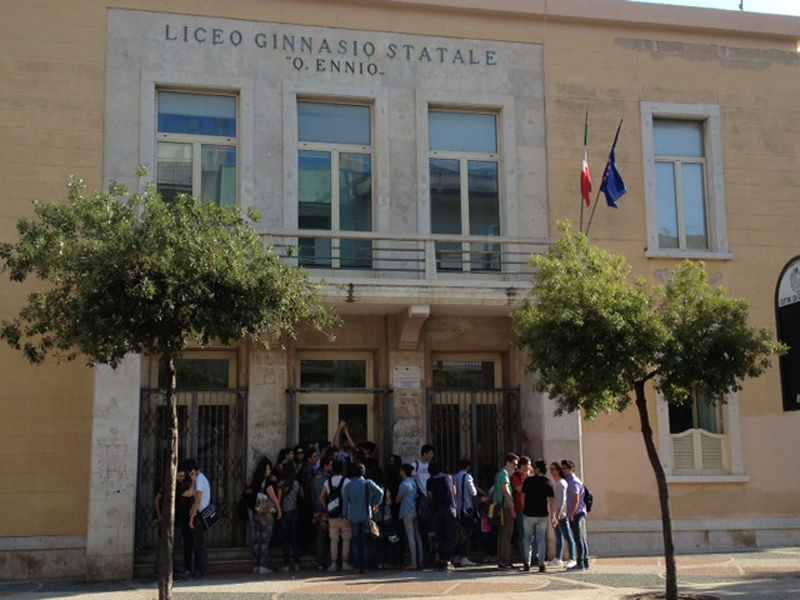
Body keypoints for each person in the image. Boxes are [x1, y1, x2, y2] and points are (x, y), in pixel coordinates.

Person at [341, 462, 383, 573]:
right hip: (366, 515)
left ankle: (357, 565)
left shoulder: (348, 486)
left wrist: (345, 516)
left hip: (353, 516)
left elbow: (345, 503)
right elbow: (380, 493)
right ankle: (365, 566)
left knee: (356, 541)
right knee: (365, 541)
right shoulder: (368, 483)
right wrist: (374, 503)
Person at [153, 464, 192, 577]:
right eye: (180, 476)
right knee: (168, 546)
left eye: (183, 476)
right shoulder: (175, 486)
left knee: (169, 546)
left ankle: (167, 569)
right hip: (173, 521)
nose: (182, 478)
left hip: (174, 520)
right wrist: (194, 482)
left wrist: (159, 514)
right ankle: (161, 570)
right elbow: (188, 494)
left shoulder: (169, 485)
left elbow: (157, 499)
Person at [245, 457, 282, 573]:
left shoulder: (254, 480)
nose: (269, 471)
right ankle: (263, 564)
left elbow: (247, 488)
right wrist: (279, 510)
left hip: (255, 512)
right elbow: (274, 498)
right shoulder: (267, 483)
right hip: (265, 513)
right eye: (268, 469)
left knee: (257, 539)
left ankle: (256, 564)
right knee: (265, 539)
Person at [520, 459, 554, 573]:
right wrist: (553, 514)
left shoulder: (528, 481)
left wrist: (524, 508)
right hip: (542, 515)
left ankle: (527, 562)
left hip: (529, 514)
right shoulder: (548, 482)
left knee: (527, 539)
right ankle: (541, 563)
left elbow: (522, 496)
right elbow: (551, 500)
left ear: (537, 469)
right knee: (541, 539)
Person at [321, 459, 352, 571]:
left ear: (332, 469)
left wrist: (327, 509)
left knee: (333, 540)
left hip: (332, 515)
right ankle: (345, 563)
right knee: (346, 539)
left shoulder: (327, 482)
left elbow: (322, 497)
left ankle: (333, 563)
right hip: (344, 515)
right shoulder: (347, 481)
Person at [427, 462, 457, 570]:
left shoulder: (430, 480)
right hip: (451, 509)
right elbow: (454, 492)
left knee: (440, 535)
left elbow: (430, 496)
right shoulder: (449, 477)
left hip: (438, 510)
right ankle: (449, 560)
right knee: (449, 535)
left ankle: (442, 559)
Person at [562, 460, 589, 571]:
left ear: (571, 469)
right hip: (576, 512)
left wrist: (572, 513)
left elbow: (576, 499)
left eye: (565, 468)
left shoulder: (573, 481)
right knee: (580, 537)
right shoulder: (570, 480)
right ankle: (584, 562)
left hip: (577, 513)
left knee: (578, 538)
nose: (563, 470)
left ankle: (581, 563)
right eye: (563, 468)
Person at [185, 458, 211, 578]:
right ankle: (200, 569)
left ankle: (202, 570)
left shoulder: (200, 479)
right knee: (198, 543)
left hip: (199, 515)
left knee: (199, 544)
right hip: (200, 514)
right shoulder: (199, 479)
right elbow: (190, 493)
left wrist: (192, 517)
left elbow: (198, 498)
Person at [549, 462, 576, 569]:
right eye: (550, 469)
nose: (551, 471)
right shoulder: (556, 483)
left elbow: (562, 501)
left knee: (568, 536)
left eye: (553, 469)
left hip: (561, 515)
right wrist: (553, 515)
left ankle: (572, 558)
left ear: (558, 470)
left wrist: (558, 515)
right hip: (556, 514)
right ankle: (558, 558)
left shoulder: (561, 483)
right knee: (558, 537)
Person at [396, 464, 423, 569]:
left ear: (403, 472)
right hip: (415, 510)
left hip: (407, 512)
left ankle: (413, 562)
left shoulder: (403, 484)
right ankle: (420, 561)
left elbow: (397, 500)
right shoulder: (414, 482)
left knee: (410, 537)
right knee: (418, 536)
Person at [494, 453, 518, 570]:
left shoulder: (499, 473)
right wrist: (512, 508)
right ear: (508, 462)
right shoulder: (504, 474)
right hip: (506, 507)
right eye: (514, 464)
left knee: (502, 534)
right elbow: (506, 492)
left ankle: (501, 559)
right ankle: (505, 560)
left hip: (501, 507)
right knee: (507, 535)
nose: (515, 467)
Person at [453, 458, 479, 567]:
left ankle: (456, 556)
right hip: (467, 509)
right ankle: (464, 557)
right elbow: (473, 492)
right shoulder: (467, 477)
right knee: (467, 535)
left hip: (458, 509)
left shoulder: (455, 477)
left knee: (458, 534)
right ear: (468, 467)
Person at [277, 465, 303, 571]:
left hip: (284, 512)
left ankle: (286, 564)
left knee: (286, 539)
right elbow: (302, 495)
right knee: (295, 538)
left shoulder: (281, 484)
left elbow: (278, 500)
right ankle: (296, 563)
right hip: (294, 511)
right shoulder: (297, 484)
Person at [412, 444, 435, 563]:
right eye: (430, 453)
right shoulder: (415, 465)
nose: (432, 456)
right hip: (421, 497)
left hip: (430, 496)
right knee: (423, 524)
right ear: (424, 453)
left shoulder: (431, 466)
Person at [312, 456, 332, 569]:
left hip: (317, 509)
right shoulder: (327, 479)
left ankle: (320, 561)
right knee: (327, 537)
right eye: (330, 464)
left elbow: (313, 494)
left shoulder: (315, 478)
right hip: (325, 509)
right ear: (326, 466)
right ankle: (325, 561)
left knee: (320, 536)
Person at [510, 456, 531, 564]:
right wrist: (527, 479)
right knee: (523, 534)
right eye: (528, 465)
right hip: (521, 509)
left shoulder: (529, 476)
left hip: (531, 508)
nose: (530, 467)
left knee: (531, 535)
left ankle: (532, 556)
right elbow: (519, 489)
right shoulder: (515, 476)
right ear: (523, 466)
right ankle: (525, 558)